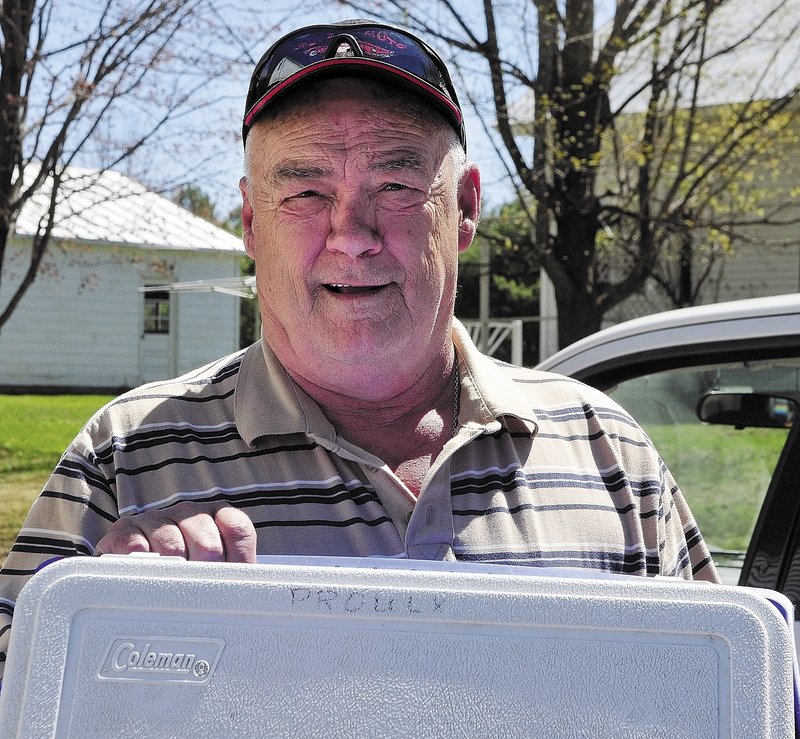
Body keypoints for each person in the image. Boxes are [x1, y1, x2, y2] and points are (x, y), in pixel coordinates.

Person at [0, 19, 718, 682]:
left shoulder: (608, 451)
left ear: (464, 209)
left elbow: (715, 694)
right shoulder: (123, 461)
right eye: (307, 191)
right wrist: (96, 629)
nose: (351, 234)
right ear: (252, 222)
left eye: (398, 185)